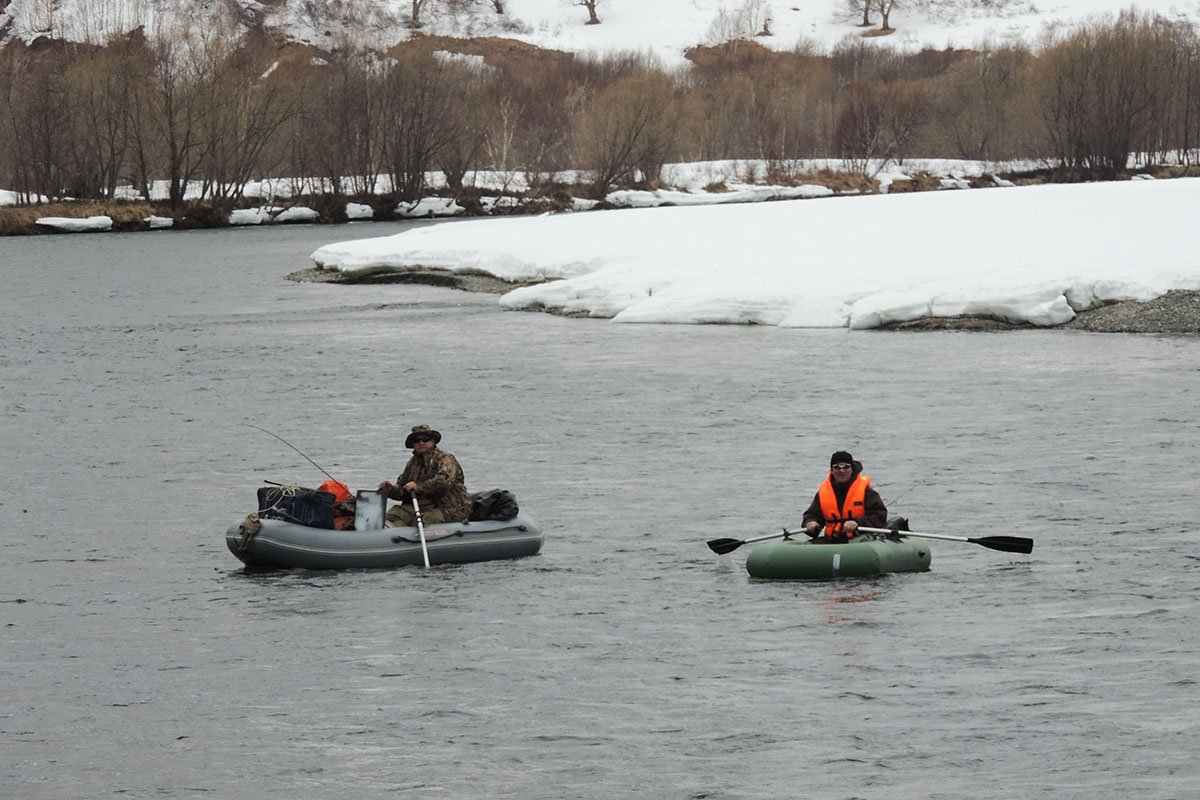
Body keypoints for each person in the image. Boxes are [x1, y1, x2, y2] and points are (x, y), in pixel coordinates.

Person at [377, 425, 472, 528]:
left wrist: (418, 487)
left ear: (433, 441)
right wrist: (391, 490)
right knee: (394, 513)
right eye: (417, 440)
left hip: (450, 508)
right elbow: (404, 490)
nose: (421, 443)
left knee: (428, 519)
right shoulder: (412, 463)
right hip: (422, 506)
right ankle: (394, 534)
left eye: (425, 439)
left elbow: (444, 482)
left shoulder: (445, 459)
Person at [801, 450, 888, 541]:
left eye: (846, 467)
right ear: (832, 470)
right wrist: (810, 522)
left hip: (861, 540)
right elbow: (813, 514)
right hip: (833, 540)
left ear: (852, 470)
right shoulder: (823, 493)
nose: (842, 471)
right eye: (837, 467)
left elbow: (879, 517)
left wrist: (857, 523)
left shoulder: (866, 492)